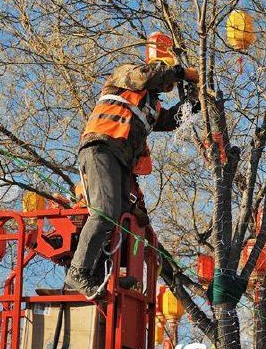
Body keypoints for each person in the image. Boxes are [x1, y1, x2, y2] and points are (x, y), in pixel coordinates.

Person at [65, 61, 199, 298]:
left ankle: (100, 274)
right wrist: (181, 72)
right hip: (101, 147)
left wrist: (194, 99)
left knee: (124, 216)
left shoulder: (153, 107)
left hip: (121, 161)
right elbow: (145, 76)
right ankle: (78, 272)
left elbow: (173, 119)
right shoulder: (124, 76)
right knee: (105, 211)